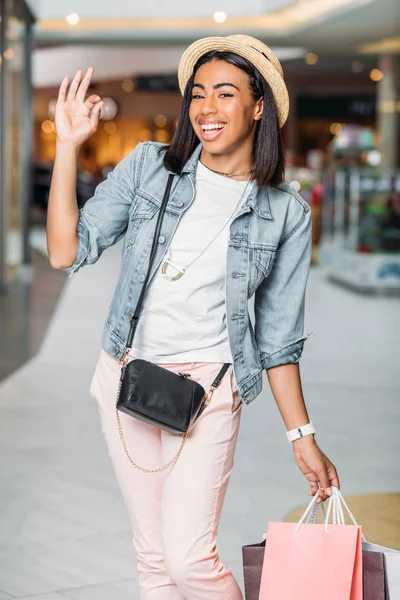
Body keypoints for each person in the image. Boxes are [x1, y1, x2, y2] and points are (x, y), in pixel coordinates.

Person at [47, 34, 340, 600]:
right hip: (127, 377)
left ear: (259, 107)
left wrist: (301, 436)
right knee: (154, 561)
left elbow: (279, 340)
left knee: (189, 561)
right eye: (198, 94)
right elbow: (65, 251)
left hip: (208, 391)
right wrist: (67, 146)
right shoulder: (149, 168)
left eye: (225, 93)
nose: (206, 108)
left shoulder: (285, 214)